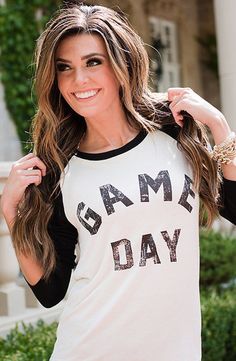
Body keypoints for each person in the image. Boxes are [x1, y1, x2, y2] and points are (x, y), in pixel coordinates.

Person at [1, 3, 236, 361]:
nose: (79, 80)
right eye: (65, 68)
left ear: (122, 62)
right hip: (88, 348)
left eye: (93, 62)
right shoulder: (60, 167)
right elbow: (50, 289)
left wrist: (219, 126)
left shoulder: (173, 130)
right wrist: (10, 210)